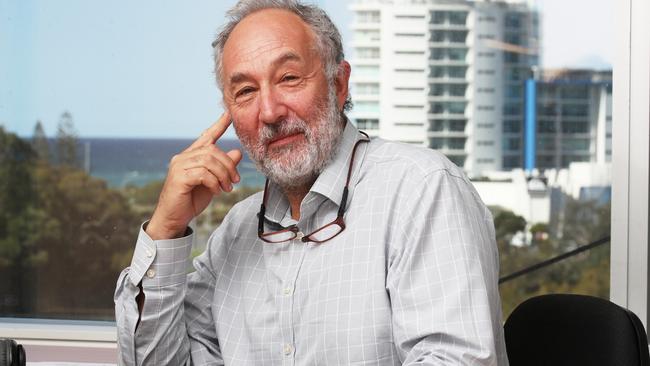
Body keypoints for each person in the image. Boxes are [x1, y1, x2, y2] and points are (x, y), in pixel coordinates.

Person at [114, 0, 509, 364]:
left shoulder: (422, 190)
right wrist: (166, 229)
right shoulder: (236, 231)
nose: (268, 112)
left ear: (339, 84)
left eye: (288, 77)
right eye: (246, 91)